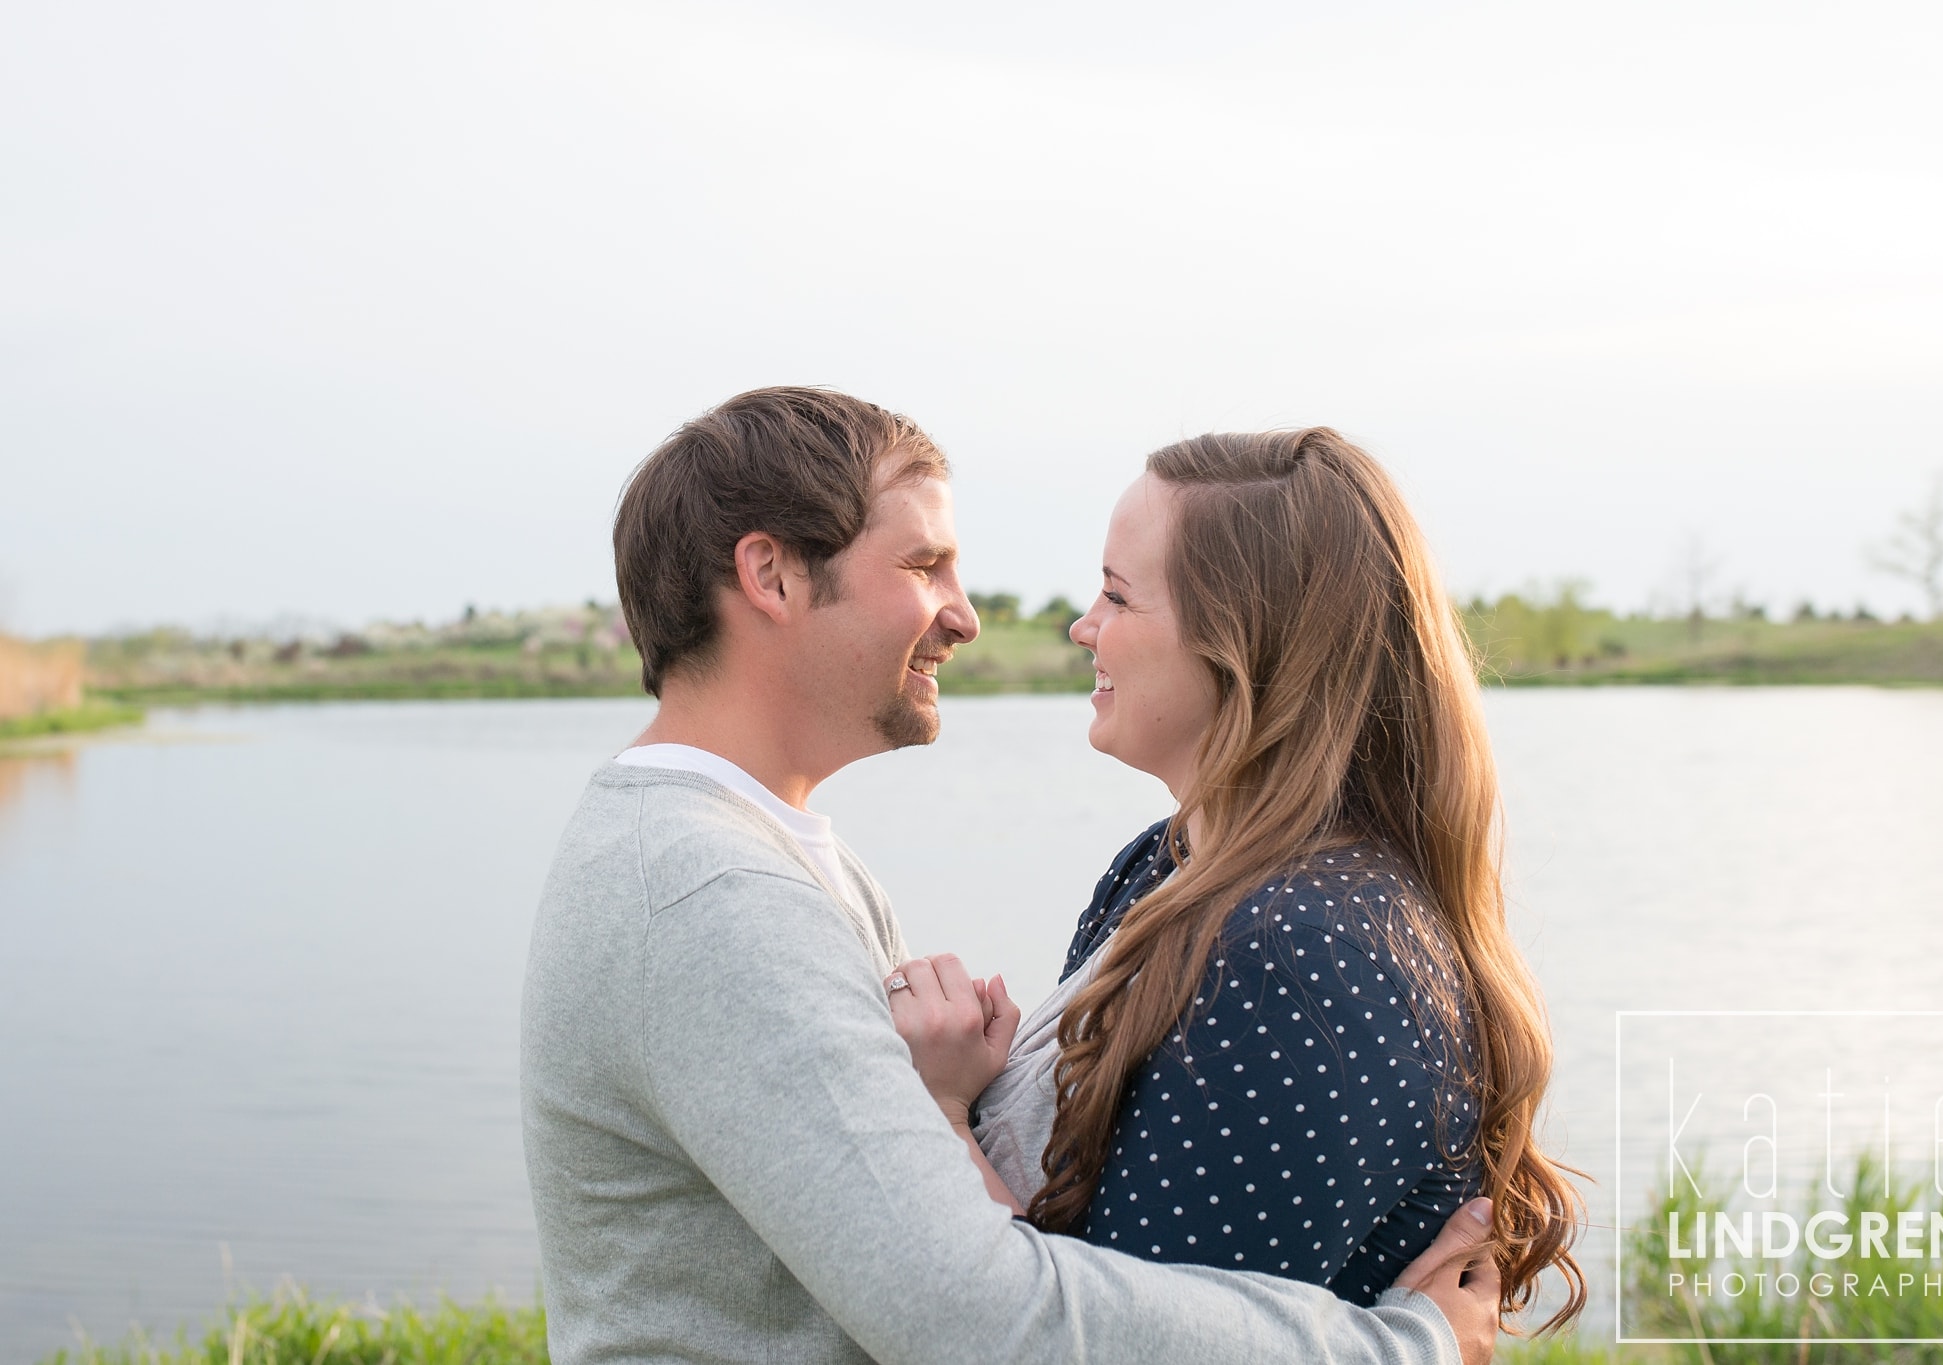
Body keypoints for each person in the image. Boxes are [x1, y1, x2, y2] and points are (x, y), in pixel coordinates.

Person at [521, 387, 1503, 1365]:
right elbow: (981, 1316)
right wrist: (1399, 1350)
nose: (964, 616)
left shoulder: (763, 856)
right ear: (770, 576)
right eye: (922, 565)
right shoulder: (712, 897)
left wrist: (950, 1103)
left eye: (1116, 594)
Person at [889, 429, 1584, 1327]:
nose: (1082, 625)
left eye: (1116, 593)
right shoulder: (1164, 865)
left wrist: (939, 1114)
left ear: (1242, 645)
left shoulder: (1300, 956)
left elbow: (1100, 1347)